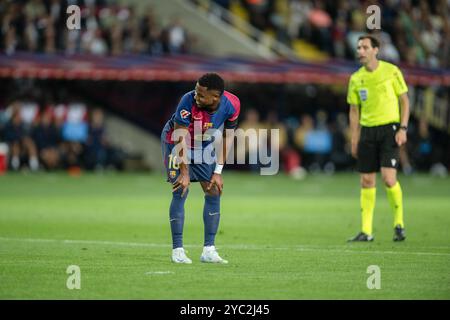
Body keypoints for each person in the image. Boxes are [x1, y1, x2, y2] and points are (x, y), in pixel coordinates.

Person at [161, 73, 240, 264]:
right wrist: (185, 172)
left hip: (203, 143)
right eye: (196, 91)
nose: (196, 96)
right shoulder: (187, 101)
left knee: (213, 190)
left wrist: (218, 172)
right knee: (181, 189)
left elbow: (228, 137)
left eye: (201, 94)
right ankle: (178, 251)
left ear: (215, 97)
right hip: (176, 141)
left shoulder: (232, 104)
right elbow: (179, 136)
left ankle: (209, 250)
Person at [347, 34, 410, 242]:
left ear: (376, 50)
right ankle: (366, 231)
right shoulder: (356, 79)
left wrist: (403, 128)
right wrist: (354, 138)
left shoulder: (392, 71)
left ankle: (399, 224)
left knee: (388, 178)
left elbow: (405, 102)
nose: (360, 51)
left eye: (365, 47)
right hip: (367, 131)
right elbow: (354, 111)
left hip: (389, 130)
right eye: (358, 48)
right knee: (366, 180)